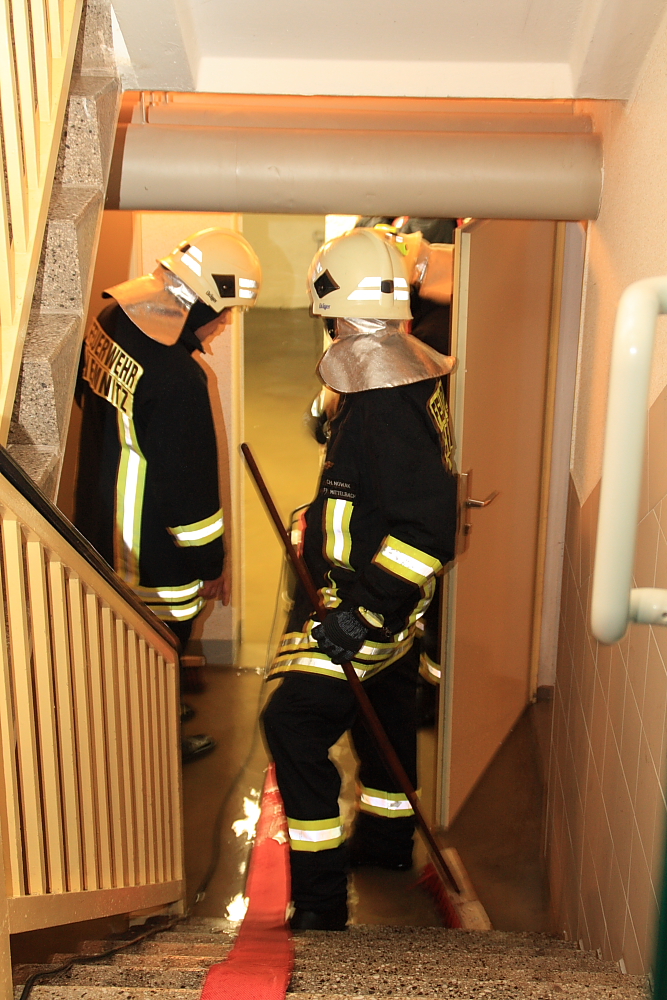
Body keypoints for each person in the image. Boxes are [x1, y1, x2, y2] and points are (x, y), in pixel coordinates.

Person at [262, 228, 458, 930]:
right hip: (396, 617)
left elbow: (426, 530)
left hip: (364, 607)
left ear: (333, 307)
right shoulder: (403, 372)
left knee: (288, 723)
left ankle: (317, 906)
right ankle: (383, 842)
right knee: (388, 720)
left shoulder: (383, 408)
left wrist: (361, 614)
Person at [72, 228, 261, 761]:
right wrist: (211, 563)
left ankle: (143, 709)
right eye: (224, 311)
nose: (224, 324)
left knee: (120, 650)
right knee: (155, 652)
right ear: (199, 300)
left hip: (96, 525)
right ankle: (151, 747)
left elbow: (91, 400)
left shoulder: (112, 319)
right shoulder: (178, 378)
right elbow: (190, 496)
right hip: (150, 554)